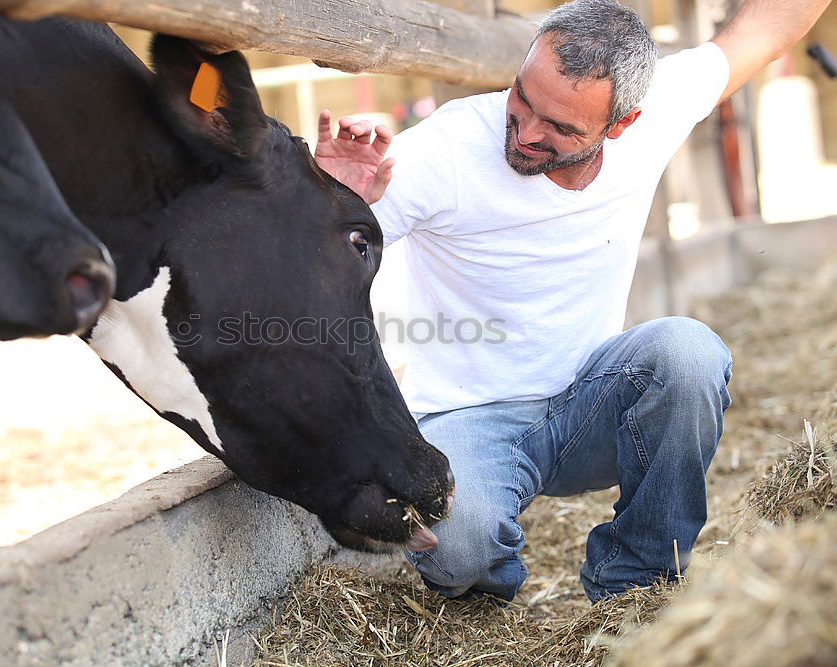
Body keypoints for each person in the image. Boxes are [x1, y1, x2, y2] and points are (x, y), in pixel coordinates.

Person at [314, 0, 832, 603]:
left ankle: (638, 586)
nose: (529, 132)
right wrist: (332, 200)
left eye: (561, 128)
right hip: (467, 415)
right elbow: (311, 261)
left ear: (621, 123)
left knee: (689, 354)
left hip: (593, 402)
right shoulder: (444, 150)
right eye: (523, 101)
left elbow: (763, 29)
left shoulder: (659, 112)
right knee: (457, 549)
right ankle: (486, 584)